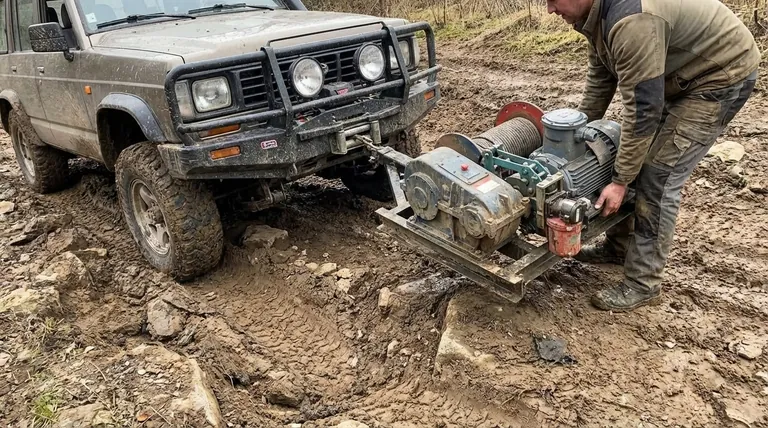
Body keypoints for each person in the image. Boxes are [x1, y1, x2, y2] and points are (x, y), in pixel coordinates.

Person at [546, 0, 760, 312]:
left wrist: (621, 181)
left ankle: (643, 283)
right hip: (679, 74)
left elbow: (644, 109)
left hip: (719, 75)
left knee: (658, 177)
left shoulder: (632, 22)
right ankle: (619, 248)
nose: (550, 9)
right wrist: (574, 143)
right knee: (618, 156)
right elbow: (601, 79)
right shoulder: (596, 16)